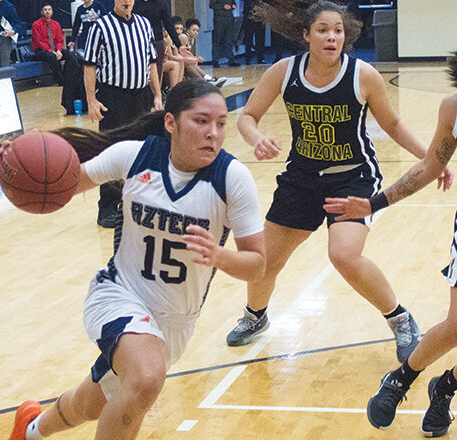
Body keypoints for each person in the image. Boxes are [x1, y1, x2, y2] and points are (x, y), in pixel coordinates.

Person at [0, 79, 266, 440]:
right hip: (119, 294)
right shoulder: (135, 156)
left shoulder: (233, 178)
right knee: (146, 377)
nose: (213, 134)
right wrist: (18, 163)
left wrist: (220, 255)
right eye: (201, 121)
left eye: (220, 124)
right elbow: (59, 183)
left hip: (174, 322)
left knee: (89, 404)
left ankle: (29, 429)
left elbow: (257, 264)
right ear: (170, 122)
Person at [226, 0, 453, 361]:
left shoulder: (362, 75)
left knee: (344, 255)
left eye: (338, 30)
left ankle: (400, 319)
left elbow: (393, 125)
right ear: (306, 35)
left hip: (352, 177)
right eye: (323, 30)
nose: (332, 37)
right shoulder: (284, 72)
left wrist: (430, 158)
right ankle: (255, 317)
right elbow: (247, 116)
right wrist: (257, 139)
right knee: (265, 260)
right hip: (301, 177)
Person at [323, 52, 457, 437]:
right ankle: (402, 380)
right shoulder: (452, 107)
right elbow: (431, 166)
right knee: (455, 327)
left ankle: (445, 387)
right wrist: (374, 202)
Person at [83, 0, 163, 228]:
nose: (126, 1)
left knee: (141, 151)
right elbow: (89, 65)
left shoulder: (144, 24)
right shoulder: (100, 26)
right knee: (111, 151)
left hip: (141, 96)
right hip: (113, 97)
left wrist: (157, 95)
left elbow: (151, 63)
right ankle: (108, 207)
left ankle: (138, 202)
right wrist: (91, 100)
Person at [132, 0, 190, 85]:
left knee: (157, 72)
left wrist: (179, 45)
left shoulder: (160, 3)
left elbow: (169, 24)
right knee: (140, 72)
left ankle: (157, 95)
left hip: (157, 42)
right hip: (138, 43)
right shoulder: (134, 3)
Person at [177, 17, 226, 88]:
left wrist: (196, 58)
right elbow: (182, 54)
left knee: (192, 62)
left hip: (182, 60)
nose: (196, 32)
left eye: (197, 30)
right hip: (178, 60)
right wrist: (194, 58)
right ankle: (206, 81)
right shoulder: (184, 37)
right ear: (187, 30)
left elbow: (187, 54)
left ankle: (208, 79)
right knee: (189, 63)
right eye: (193, 30)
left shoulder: (192, 39)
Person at [31, 3, 64, 85]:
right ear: (41, 12)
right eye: (45, 10)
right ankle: (60, 80)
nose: (47, 11)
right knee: (51, 56)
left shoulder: (56, 24)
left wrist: (59, 50)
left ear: (52, 12)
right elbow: (39, 42)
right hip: (40, 50)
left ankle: (73, 77)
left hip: (54, 49)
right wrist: (51, 51)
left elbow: (59, 40)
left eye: (49, 10)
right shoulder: (36, 24)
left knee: (70, 55)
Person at [209, 0, 240, 68]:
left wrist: (234, 5)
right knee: (217, 39)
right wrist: (223, 6)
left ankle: (231, 59)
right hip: (219, 18)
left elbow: (233, 2)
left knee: (229, 40)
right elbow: (211, 5)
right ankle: (215, 60)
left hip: (230, 18)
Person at [241, 0, 266, 65]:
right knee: (248, 39)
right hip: (249, 17)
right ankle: (248, 59)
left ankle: (260, 58)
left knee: (260, 39)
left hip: (260, 18)